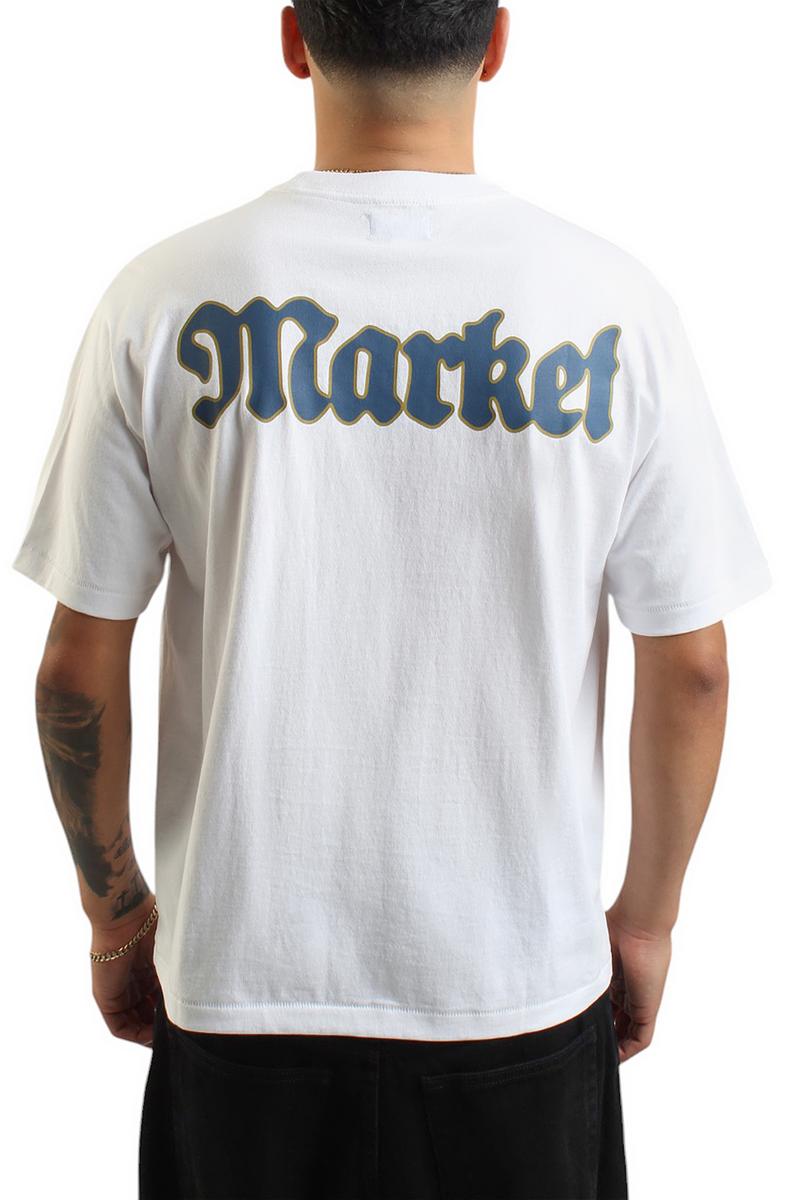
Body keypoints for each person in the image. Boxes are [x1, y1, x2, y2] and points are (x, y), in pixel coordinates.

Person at [11, 2, 771, 1197]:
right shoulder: (614, 308)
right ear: (498, 42)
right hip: (515, 995)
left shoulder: (161, 298)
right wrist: (645, 921)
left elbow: (73, 668)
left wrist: (115, 919)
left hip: (243, 997)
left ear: (292, 38)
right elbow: (694, 668)